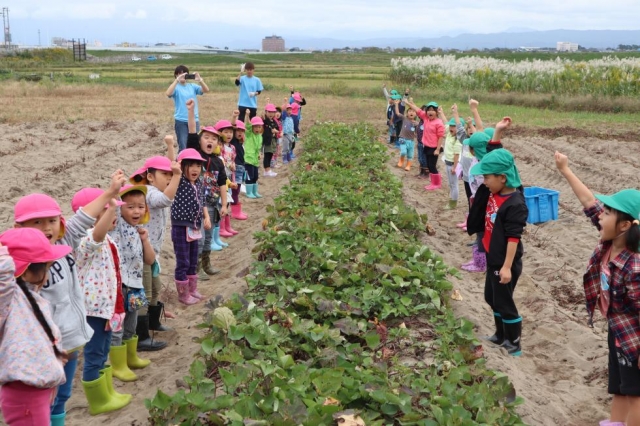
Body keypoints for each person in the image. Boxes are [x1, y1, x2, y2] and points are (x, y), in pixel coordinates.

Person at [13, 171, 125, 422]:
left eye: (51, 221)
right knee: (44, 399)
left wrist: (109, 193)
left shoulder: (65, 245)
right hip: (46, 348)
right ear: (19, 228)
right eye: (37, 223)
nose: (46, 228)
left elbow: (83, 218)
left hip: (72, 339)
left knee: (62, 396)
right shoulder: (23, 266)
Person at [555, 152, 640, 426]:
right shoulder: (610, 242)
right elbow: (588, 201)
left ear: (625, 225)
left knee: (636, 394)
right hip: (617, 329)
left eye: (607, 212)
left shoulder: (634, 267)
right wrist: (565, 170)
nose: (600, 215)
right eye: (602, 211)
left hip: (634, 340)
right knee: (619, 386)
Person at [0, 228, 70, 426]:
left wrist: (55, 355)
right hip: (24, 394)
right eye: (45, 267)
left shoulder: (32, 297)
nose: (47, 274)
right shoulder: (8, 299)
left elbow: (39, 332)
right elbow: (3, 273)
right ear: (25, 269)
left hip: (37, 390)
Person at [71, 189, 132, 415]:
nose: (115, 214)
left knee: (104, 349)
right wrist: (111, 203)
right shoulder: (85, 239)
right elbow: (95, 237)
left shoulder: (108, 239)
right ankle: (98, 401)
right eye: (108, 211)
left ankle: (107, 392)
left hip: (107, 306)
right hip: (93, 309)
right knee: (95, 353)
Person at [469, 148, 528, 357]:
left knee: (504, 302)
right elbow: (497, 154)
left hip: (505, 261)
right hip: (493, 257)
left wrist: (506, 267)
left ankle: (513, 342)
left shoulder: (515, 203)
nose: (484, 181)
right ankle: (500, 334)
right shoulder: (495, 193)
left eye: (487, 177)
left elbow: (514, 238)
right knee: (491, 297)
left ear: (502, 178)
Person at [129, 147, 182, 346]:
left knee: (155, 287)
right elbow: (166, 199)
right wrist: (177, 175)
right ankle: (141, 335)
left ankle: (153, 322)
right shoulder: (149, 192)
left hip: (152, 251)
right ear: (150, 177)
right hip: (140, 253)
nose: (169, 178)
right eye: (165, 174)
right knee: (144, 291)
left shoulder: (155, 190)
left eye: (170, 174)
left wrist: (172, 172)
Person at [108, 185, 158, 380]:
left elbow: (150, 260)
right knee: (117, 326)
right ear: (121, 209)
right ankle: (118, 365)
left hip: (135, 285)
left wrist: (145, 240)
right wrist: (114, 191)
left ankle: (130, 357)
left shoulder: (139, 230)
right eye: (130, 207)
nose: (136, 211)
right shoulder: (117, 225)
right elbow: (112, 206)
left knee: (131, 323)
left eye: (140, 206)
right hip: (119, 286)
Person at [171, 147, 211, 305]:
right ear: (182, 167)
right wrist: (170, 145)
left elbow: (203, 202)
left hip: (194, 227)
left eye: (198, 166)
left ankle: (192, 290)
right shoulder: (179, 181)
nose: (195, 169)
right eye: (191, 165)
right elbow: (171, 165)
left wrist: (206, 217)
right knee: (183, 261)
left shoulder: (200, 183)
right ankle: (183, 294)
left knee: (193, 259)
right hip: (180, 227)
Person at [165, 65, 209, 152]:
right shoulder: (176, 88)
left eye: (184, 74)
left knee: (196, 144)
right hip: (181, 120)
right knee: (183, 144)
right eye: (179, 74)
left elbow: (206, 90)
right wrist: (176, 81)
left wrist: (200, 80)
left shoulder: (192, 86)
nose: (182, 76)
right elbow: (168, 93)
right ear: (176, 75)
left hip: (194, 119)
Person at [405, 100, 445, 190]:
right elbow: (418, 110)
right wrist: (409, 103)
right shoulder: (425, 118)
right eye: (428, 110)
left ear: (436, 112)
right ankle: (433, 182)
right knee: (429, 165)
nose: (430, 112)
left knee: (432, 166)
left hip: (434, 147)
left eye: (432, 110)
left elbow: (440, 137)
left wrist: (438, 149)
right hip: (426, 146)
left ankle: (436, 183)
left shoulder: (438, 123)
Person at [438, 107, 464, 210]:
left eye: (454, 126)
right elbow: (445, 122)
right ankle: (452, 199)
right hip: (448, 163)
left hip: (453, 165)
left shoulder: (457, 140)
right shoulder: (449, 133)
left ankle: (453, 203)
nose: (451, 128)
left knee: (454, 184)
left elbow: (457, 155)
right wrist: (441, 112)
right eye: (451, 126)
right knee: (450, 183)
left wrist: (455, 167)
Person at [230, 112, 248, 220]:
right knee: (235, 190)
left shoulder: (239, 143)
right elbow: (231, 126)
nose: (240, 132)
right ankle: (235, 212)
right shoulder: (232, 141)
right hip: (235, 168)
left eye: (242, 131)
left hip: (241, 168)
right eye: (238, 130)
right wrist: (234, 117)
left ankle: (237, 210)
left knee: (238, 188)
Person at [393, 98, 417, 172]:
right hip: (403, 139)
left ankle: (408, 165)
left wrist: (412, 103)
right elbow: (397, 113)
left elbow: (417, 133)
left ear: (416, 114)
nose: (411, 112)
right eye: (409, 111)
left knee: (410, 154)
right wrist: (396, 104)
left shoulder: (416, 123)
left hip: (411, 141)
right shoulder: (404, 118)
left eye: (413, 111)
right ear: (407, 113)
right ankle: (401, 161)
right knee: (403, 152)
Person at [244, 116, 264, 199]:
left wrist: (259, 153)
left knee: (255, 176)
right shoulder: (249, 134)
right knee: (250, 176)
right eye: (255, 126)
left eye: (259, 127)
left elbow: (258, 148)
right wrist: (247, 115)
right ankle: (249, 192)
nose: (257, 129)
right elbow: (247, 125)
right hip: (248, 159)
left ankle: (254, 191)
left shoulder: (260, 136)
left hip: (255, 160)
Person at [262, 103, 279, 177]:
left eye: (273, 112)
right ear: (266, 112)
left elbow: (277, 128)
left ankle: (268, 170)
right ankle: (267, 170)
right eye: (269, 112)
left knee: (271, 154)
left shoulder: (274, 121)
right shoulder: (265, 121)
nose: (271, 114)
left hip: (273, 140)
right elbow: (263, 128)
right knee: (267, 155)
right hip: (267, 140)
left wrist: (276, 131)